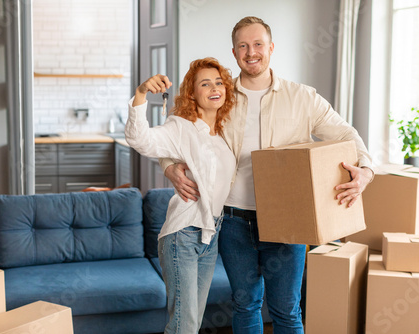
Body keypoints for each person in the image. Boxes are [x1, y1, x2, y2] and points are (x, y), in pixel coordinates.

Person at [160, 17, 374, 334]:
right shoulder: (220, 96)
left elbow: (347, 134)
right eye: (243, 46)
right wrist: (169, 166)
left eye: (258, 44)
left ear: (271, 48)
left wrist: (366, 171)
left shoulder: (303, 97)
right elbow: (176, 129)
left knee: (287, 311)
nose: (252, 52)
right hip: (232, 219)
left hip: (289, 221)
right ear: (234, 53)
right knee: (245, 306)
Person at [125, 57, 236, 334]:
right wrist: (141, 94)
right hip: (183, 235)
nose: (214, 87)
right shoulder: (181, 127)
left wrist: (169, 165)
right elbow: (140, 140)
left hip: (211, 235)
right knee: (183, 326)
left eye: (219, 82)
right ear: (192, 93)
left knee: (191, 323)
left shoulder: (223, 134)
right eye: (205, 83)